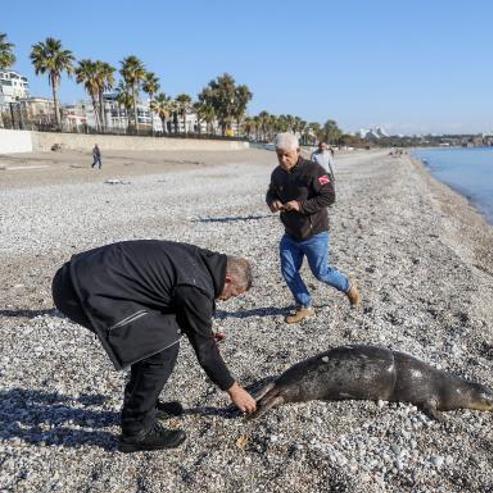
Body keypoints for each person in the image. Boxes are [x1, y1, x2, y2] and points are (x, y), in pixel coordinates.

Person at [51, 240, 257, 453]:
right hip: (79, 290)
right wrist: (234, 390)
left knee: (158, 336)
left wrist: (200, 328)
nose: (226, 300)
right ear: (227, 279)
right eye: (232, 294)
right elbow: (205, 351)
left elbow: (172, 296)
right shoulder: (196, 284)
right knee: (160, 350)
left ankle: (145, 405)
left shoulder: (202, 262)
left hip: (87, 275)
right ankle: (136, 430)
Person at [266, 132, 360, 324]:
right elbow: (270, 193)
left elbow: (329, 196)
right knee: (288, 270)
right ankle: (305, 306)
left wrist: (300, 206)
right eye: (279, 155)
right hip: (291, 234)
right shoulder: (277, 174)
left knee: (321, 272)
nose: (283, 159)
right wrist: (273, 201)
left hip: (315, 233)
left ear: (298, 151)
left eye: (287, 155)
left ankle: (348, 286)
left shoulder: (314, 170)